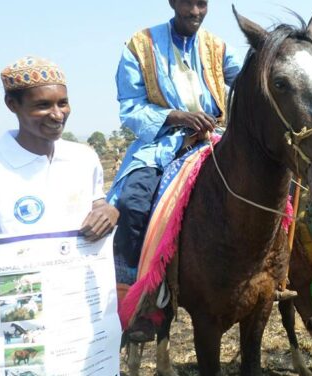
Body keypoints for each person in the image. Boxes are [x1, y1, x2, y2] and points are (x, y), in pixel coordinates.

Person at [0, 56, 119, 374]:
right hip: (24, 332)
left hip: (83, 327)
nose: (57, 115)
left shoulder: (84, 158)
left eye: (63, 103)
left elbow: (97, 205)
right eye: (42, 105)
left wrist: (108, 211)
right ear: (12, 104)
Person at [108, 0, 242, 277]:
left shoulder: (217, 47)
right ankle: (137, 286)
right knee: (131, 204)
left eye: (202, 4)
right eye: (187, 3)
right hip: (161, 143)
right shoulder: (140, 45)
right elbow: (131, 108)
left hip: (213, 137)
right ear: (171, 2)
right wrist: (180, 117)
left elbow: (247, 79)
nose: (195, 12)